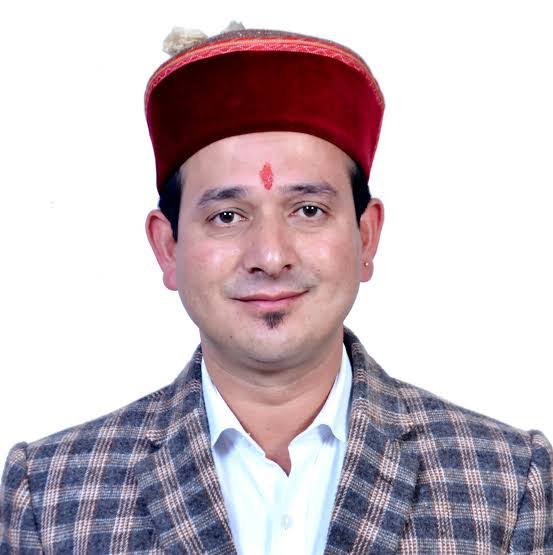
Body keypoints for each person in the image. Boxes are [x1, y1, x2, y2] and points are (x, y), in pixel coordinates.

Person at [1, 24, 551, 554]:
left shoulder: (508, 485)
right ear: (167, 247)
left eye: (308, 210)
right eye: (227, 216)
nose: (269, 256)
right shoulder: (49, 497)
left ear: (366, 237)